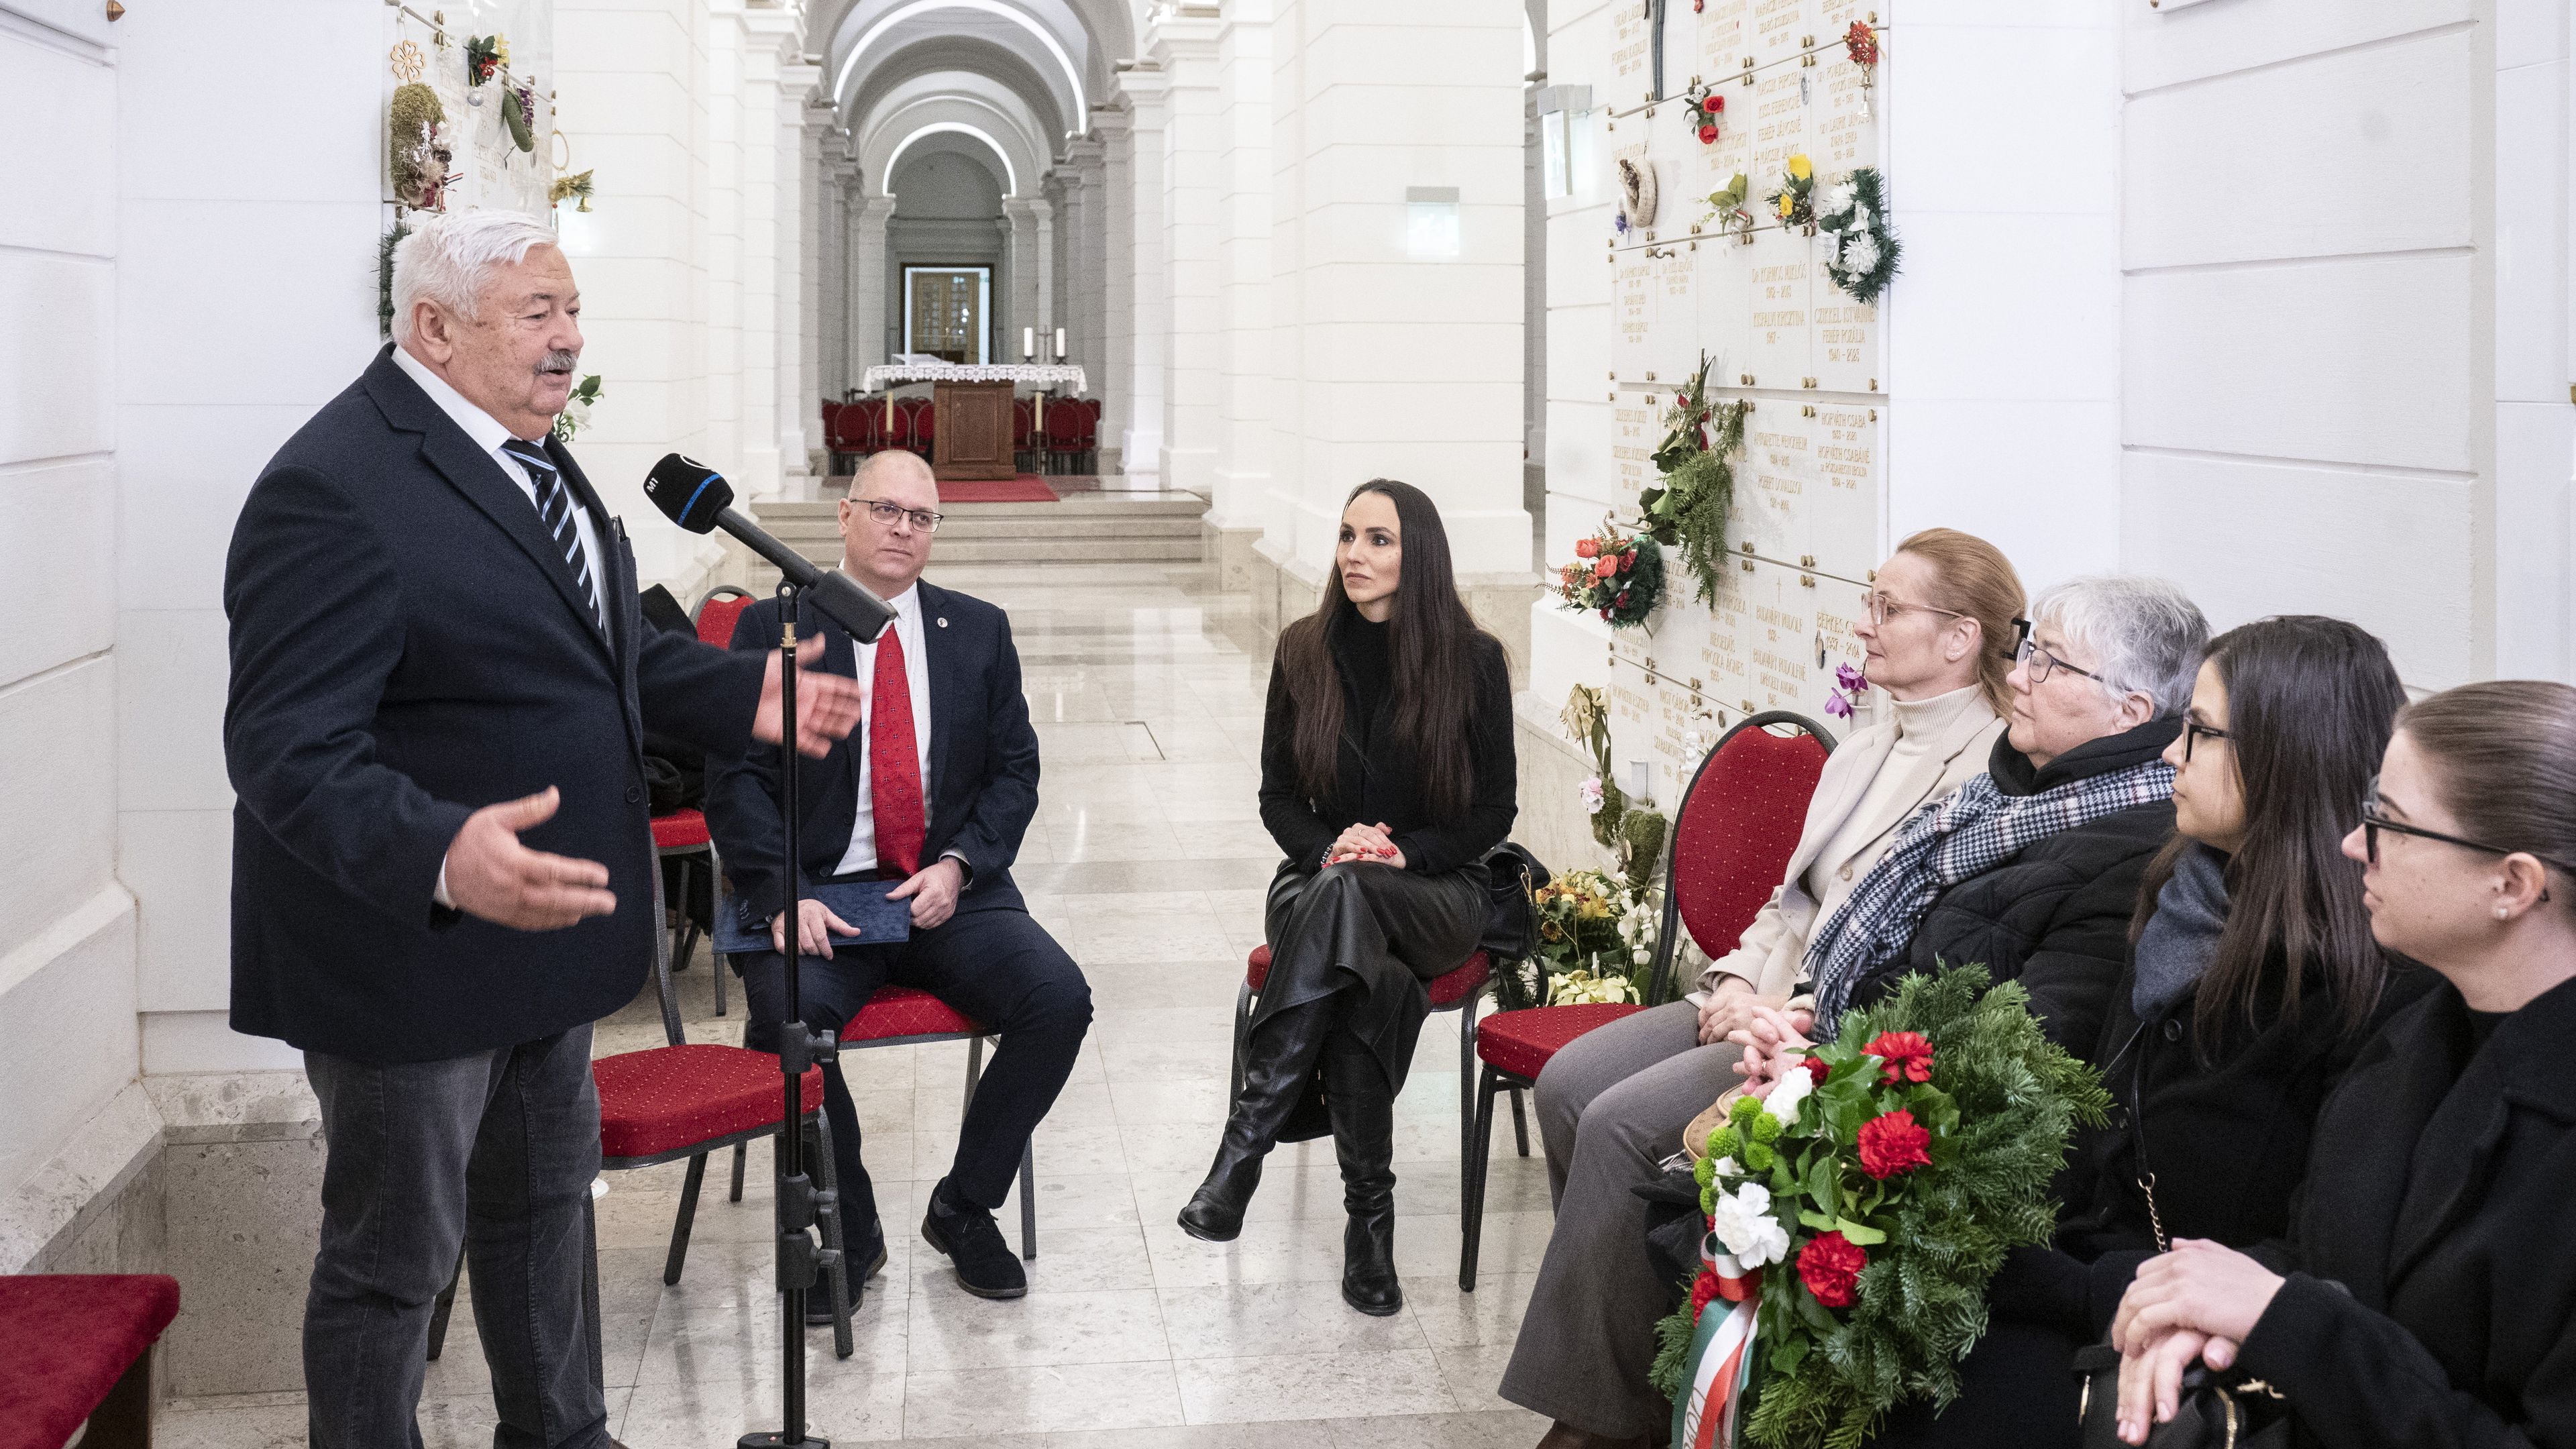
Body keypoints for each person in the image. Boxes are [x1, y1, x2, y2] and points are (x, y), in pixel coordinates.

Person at [223, 210, 863, 1449]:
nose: (570, 340)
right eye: (539, 316)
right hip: (408, 959)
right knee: (395, 1266)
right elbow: (284, 751)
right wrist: (442, 851)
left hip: (546, 948)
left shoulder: (538, 454)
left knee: (545, 1223)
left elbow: (603, 660)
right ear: (434, 328)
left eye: (572, 311)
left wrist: (744, 695)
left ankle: (567, 1437)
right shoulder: (333, 487)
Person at [1500, 528, 2025, 1449]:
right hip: (1756, 995)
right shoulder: (1866, 744)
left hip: (1818, 1034)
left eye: (1887, 608)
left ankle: (1595, 1424)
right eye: (1869, 600)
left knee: (1623, 1125)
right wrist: (1733, 982)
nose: (1863, 624)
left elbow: (1905, 953)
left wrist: (1776, 1015)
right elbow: (1789, 905)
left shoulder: (1984, 773)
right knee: (1569, 1084)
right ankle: (1625, 1351)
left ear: (1959, 637)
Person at [1866, 616, 2428, 1447]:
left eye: (2198, 733)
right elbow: (2098, 1131)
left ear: (2285, 758)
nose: (2170, 751)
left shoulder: (2362, 984)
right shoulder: (2182, 893)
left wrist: (2059, 1283)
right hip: (2092, 1269)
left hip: (2191, 1334)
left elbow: (2313, 1256)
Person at [2107, 681, 2576, 1449]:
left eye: (2389, 822)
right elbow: (2318, 1248)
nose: (2354, 844)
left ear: (2512, 885)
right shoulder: (2417, 1029)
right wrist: (2199, 1307)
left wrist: (2284, 1321)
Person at [703, 449, 1092, 1305]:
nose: (903, 530)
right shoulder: (781, 627)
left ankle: (964, 1208)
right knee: (788, 1022)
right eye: (886, 510)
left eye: (921, 517)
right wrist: (778, 894)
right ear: (844, 515)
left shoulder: (978, 630)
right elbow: (732, 780)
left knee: (1058, 999)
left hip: (945, 894)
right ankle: (852, 1231)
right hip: (819, 896)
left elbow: (1015, 774)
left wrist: (960, 865)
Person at [1176, 478, 1515, 1318]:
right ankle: (1371, 1226)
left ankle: (1243, 1150)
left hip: (1435, 891)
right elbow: (1277, 796)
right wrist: (1332, 848)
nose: (1355, 555)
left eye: (1378, 540)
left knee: (1352, 909)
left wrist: (1402, 851)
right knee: (1375, 977)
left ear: (1419, 555)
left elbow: (1493, 811)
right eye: (1347, 536)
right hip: (1320, 880)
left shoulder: (1473, 662)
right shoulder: (1302, 651)